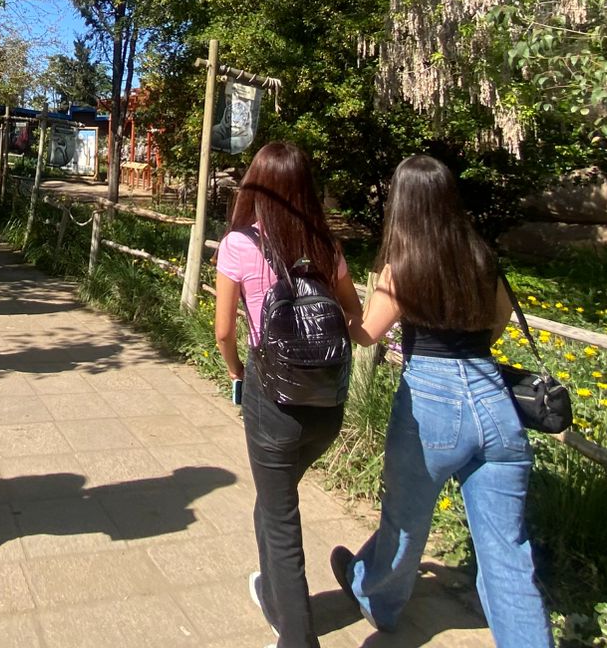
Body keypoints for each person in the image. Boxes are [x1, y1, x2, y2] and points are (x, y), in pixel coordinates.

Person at [331, 155, 552, 648]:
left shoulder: (403, 266)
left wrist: (342, 301)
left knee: (405, 523)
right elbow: (499, 320)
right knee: (509, 554)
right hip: (493, 398)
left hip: (431, 402)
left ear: (402, 203)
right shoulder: (481, 256)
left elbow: (366, 334)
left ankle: (376, 598)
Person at [213, 141, 363, 648]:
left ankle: (297, 636)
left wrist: (236, 372)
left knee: (279, 516)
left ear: (255, 186)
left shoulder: (239, 245)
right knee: (273, 500)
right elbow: (353, 314)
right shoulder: (326, 245)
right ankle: (275, 599)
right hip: (326, 401)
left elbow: (223, 331)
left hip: (272, 396)